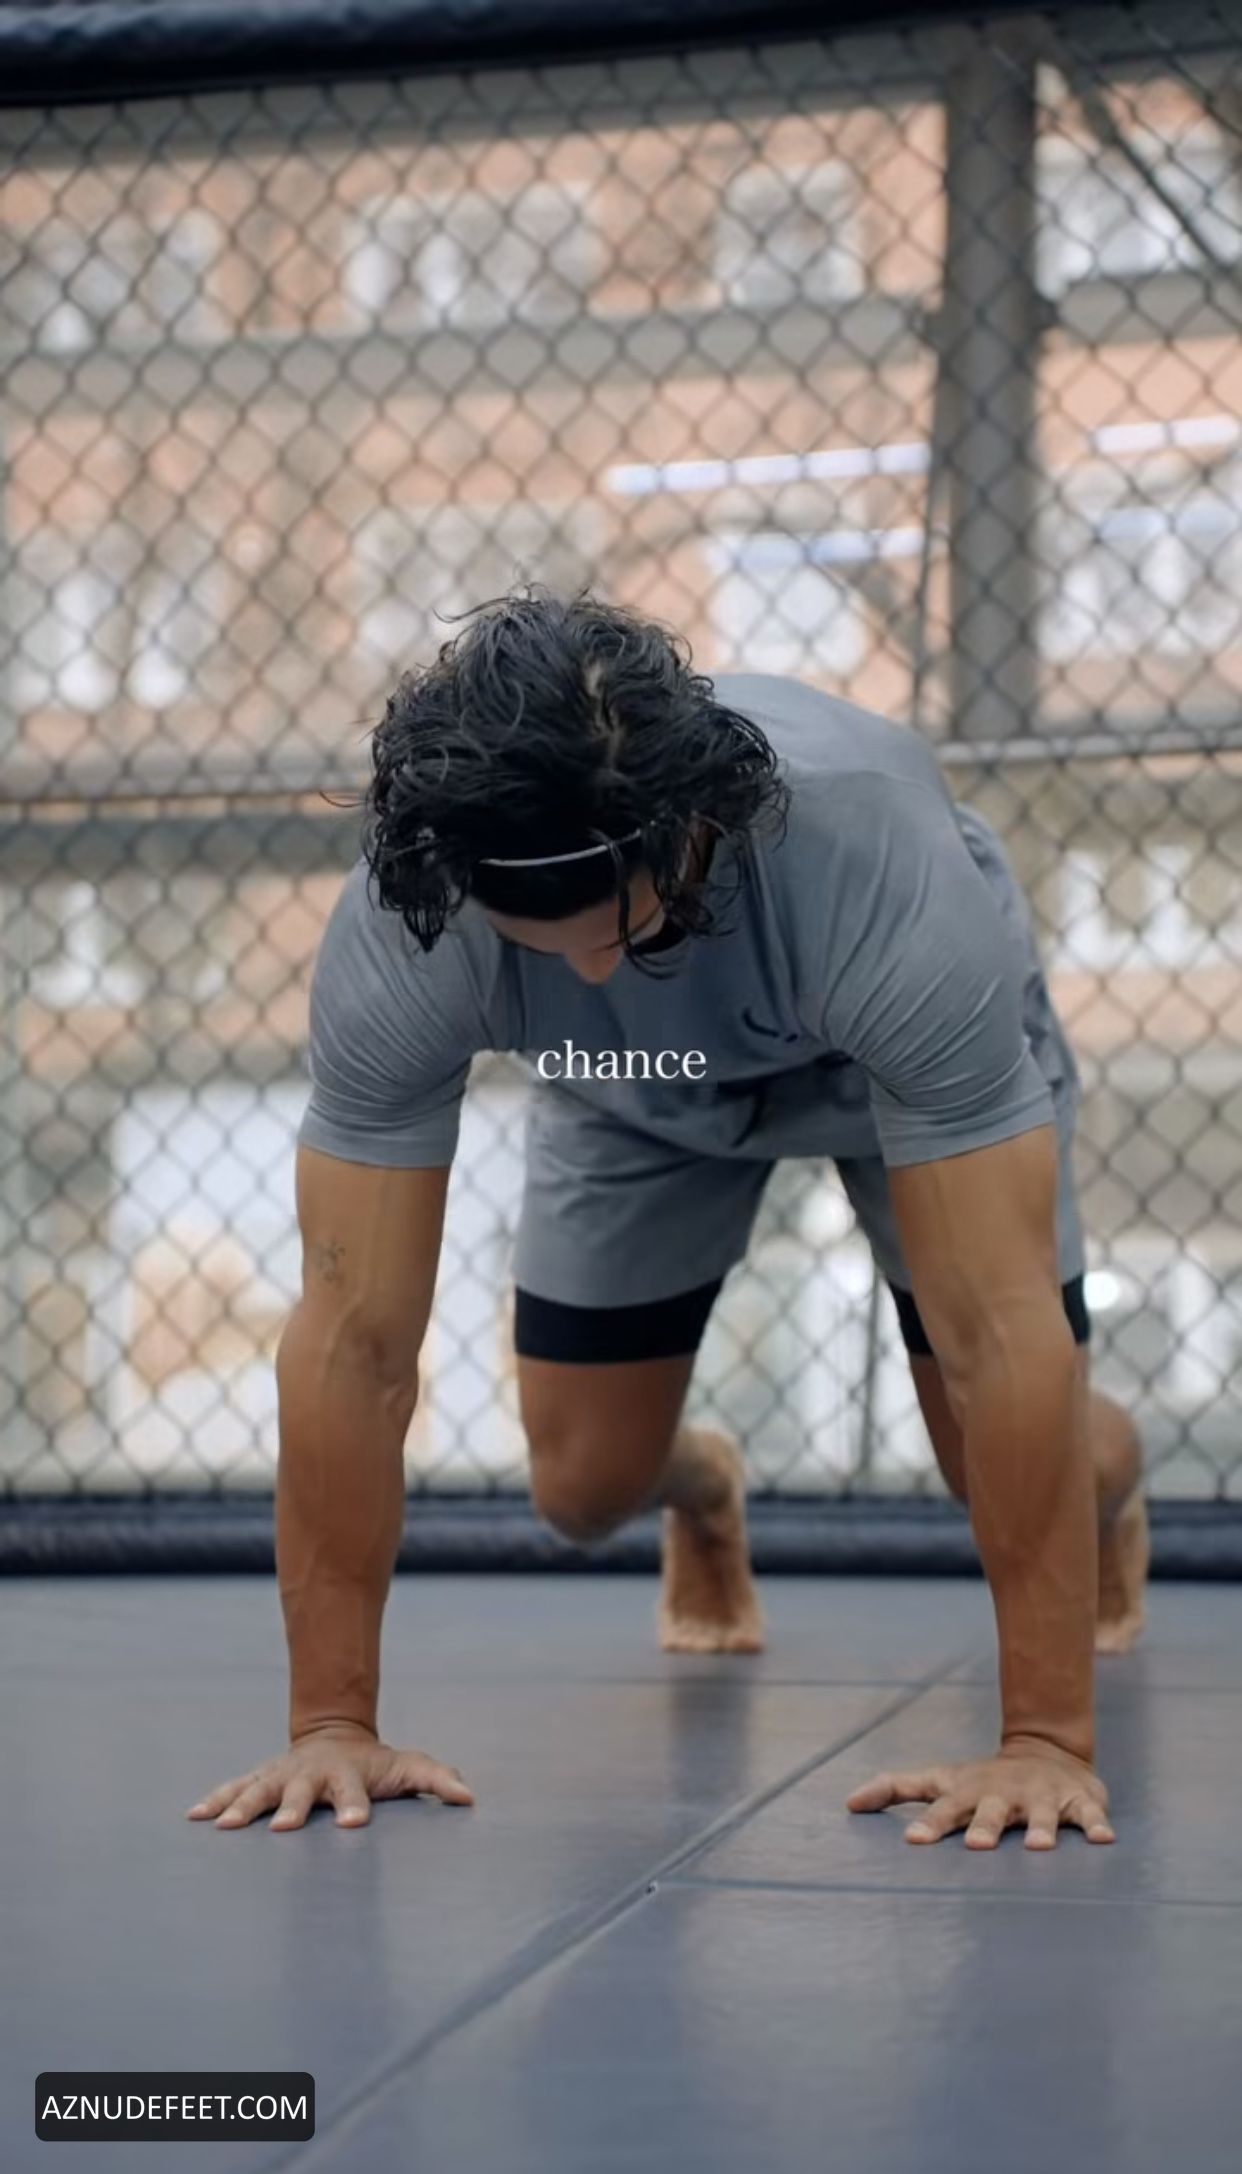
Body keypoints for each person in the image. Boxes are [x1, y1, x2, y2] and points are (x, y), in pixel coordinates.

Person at [189, 589, 1147, 1853]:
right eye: (546, 944)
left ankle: (1110, 1491)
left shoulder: (867, 857)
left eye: (619, 926)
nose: (589, 968)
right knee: (584, 1489)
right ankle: (703, 1485)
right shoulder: (413, 914)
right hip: (626, 1078)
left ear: (696, 829)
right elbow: (351, 1338)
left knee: (998, 1450)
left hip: (891, 1059)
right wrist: (330, 1722)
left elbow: (1003, 1330)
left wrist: (1045, 1741)